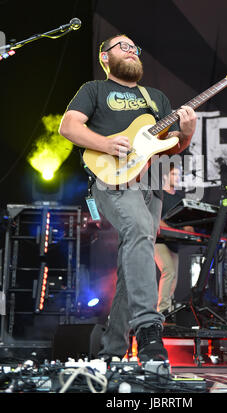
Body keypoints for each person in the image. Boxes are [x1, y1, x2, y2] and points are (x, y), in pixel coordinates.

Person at [59, 34, 196, 362]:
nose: (132, 50)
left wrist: (187, 134)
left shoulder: (155, 98)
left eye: (135, 47)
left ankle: (113, 351)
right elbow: (68, 126)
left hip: (151, 185)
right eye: (123, 46)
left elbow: (171, 145)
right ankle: (150, 329)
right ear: (105, 57)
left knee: (135, 256)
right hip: (112, 179)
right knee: (138, 232)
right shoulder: (94, 90)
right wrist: (105, 144)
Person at [155, 165, 194, 319]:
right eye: (174, 174)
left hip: (174, 243)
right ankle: (162, 310)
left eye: (179, 174)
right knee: (168, 270)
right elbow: (155, 219)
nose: (177, 177)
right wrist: (172, 230)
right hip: (159, 241)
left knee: (174, 278)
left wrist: (188, 227)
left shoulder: (180, 199)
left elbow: (186, 222)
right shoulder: (159, 195)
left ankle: (168, 311)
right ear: (165, 176)